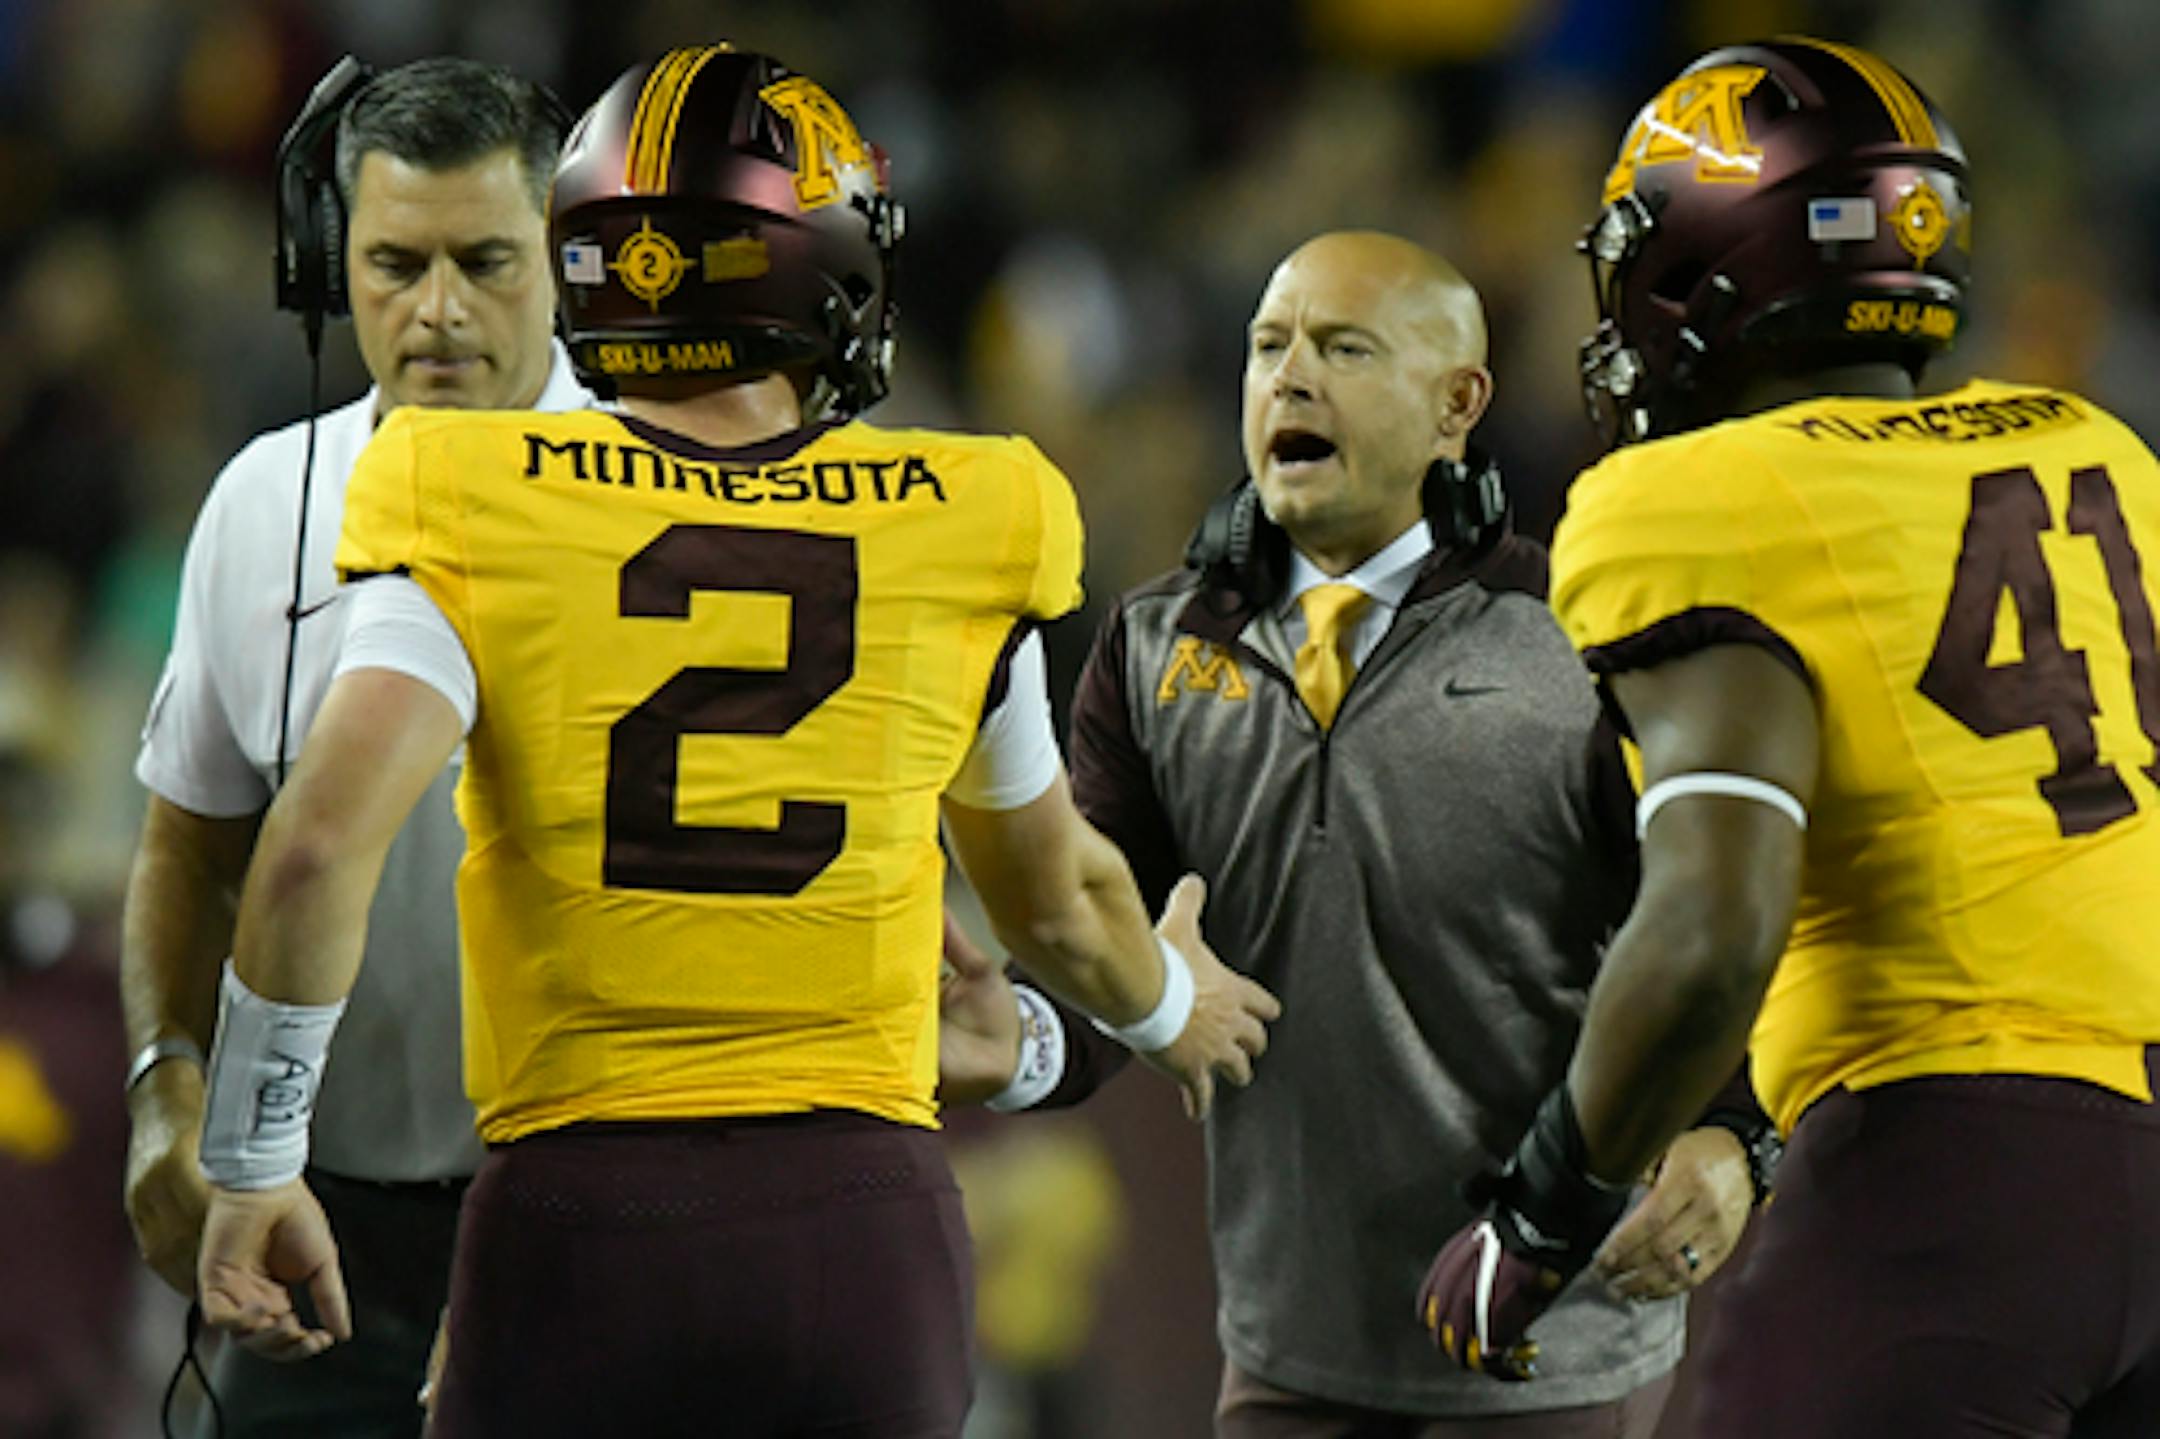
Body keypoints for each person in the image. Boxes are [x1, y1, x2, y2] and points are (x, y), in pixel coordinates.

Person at [189, 45, 1279, 1439]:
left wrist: (254, 1155)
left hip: (576, 1223)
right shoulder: (968, 509)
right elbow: (1059, 900)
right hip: (858, 1229)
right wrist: (1178, 1012)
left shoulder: (467, 490)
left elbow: (312, 854)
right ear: (808, 262)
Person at [1416, 35, 2160, 1435]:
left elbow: (1711, 924)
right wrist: (1752, 1129)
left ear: (1709, 264)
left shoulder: (1699, 493)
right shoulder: (2094, 448)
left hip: (1948, 1178)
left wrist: (1541, 1212)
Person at [947, 229, 1767, 1436]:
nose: (1291, 376)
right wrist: (1015, 1037)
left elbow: (1723, 922)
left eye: (1344, 347)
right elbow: (1102, 953)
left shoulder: (1590, 646)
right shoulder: (1151, 647)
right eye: (1268, 346)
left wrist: (1737, 1132)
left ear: (1459, 404)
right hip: (1290, 1346)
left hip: (1550, 1341)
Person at [119, 56, 589, 1437]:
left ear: (564, 261)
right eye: (392, 262)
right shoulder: (264, 504)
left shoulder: (661, 497)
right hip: (315, 1225)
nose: (436, 311)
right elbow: (188, 846)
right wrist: (164, 1087)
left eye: (486, 261)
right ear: (327, 264)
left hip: (594, 1227)